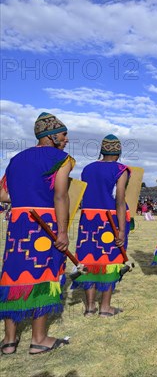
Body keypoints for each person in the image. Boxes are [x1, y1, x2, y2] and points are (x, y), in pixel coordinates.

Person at [0, 112, 74, 354]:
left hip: (18, 225)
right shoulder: (61, 159)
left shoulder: (15, 160)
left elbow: (2, 195)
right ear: (52, 137)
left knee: (14, 276)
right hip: (45, 226)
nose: (66, 140)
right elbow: (61, 195)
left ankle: (9, 340)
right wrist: (62, 232)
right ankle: (39, 339)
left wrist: (24, 198)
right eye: (64, 135)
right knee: (45, 275)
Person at [72, 134, 131, 316]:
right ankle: (105, 307)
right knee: (110, 260)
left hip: (88, 220)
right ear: (119, 152)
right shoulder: (121, 169)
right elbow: (120, 201)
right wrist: (121, 230)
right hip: (109, 220)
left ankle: (90, 307)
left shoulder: (88, 169)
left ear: (102, 150)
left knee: (89, 258)